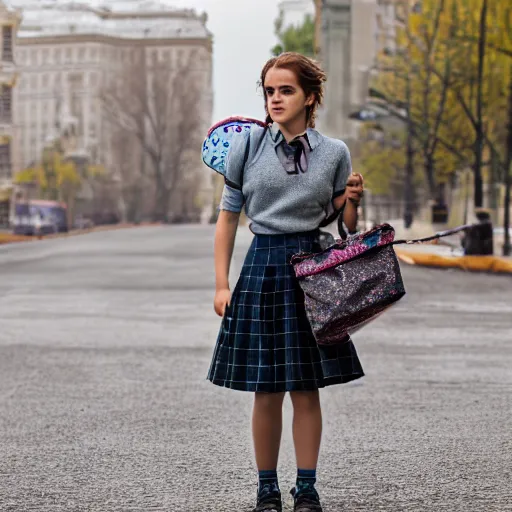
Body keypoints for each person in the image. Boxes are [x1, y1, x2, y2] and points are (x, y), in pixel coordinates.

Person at [207, 52, 365, 512]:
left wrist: (352, 199)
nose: (275, 99)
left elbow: (346, 226)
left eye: (286, 90)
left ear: (310, 97)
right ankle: (266, 489)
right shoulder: (249, 146)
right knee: (266, 388)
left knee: (305, 387)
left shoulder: (334, 152)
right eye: (270, 91)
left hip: (313, 269)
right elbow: (228, 218)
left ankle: (308, 488)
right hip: (263, 267)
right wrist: (221, 284)